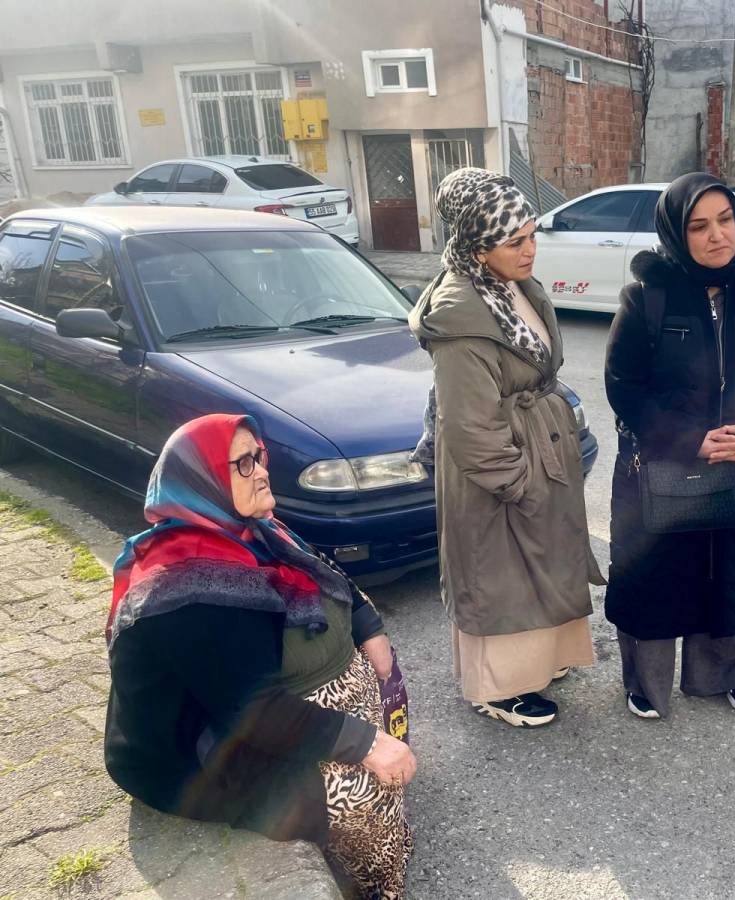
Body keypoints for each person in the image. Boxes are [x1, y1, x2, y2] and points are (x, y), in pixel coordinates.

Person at [104, 414, 416, 899]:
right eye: (242, 464)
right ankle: (371, 886)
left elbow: (325, 573)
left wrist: (368, 629)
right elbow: (255, 711)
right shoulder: (192, 585)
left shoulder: (254, 531)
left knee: (368, 751)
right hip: (194, 750)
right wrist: (368, 744)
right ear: (202, 480)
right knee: (352, 792)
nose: (262, 471)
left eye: (259, 456)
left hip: (251, 703)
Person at [409, 167, 603, 728]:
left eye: (533, 234)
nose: (530, 249)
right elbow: (470, 425)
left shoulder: (511, 288)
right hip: (499, 471)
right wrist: (519, 480)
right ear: (476, 245)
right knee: (500, 574)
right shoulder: (462, 317)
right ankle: (497, 687)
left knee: (539, 564)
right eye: (514, 241)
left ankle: (540, 664)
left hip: (537, 453)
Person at [604, 172, 735, 720]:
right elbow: (623, 388)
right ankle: (646, 680)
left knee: (729, 568)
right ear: (675, 231)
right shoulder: (648, 294)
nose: (718, 236)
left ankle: (730, 672)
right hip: (664, 464)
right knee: (656, 572)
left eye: (726, 220)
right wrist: (692, 440)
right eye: (699, 226)